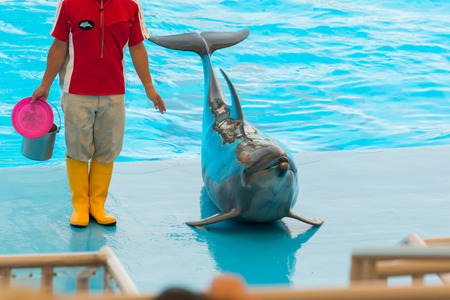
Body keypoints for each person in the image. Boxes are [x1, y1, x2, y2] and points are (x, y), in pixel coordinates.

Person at [30, 0, 166, 228]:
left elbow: (137, 47)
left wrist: (149, 87)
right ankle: (80, 206)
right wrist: (45, 85)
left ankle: (98, 205)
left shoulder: (130, 6)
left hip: (114, 92)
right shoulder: (69, 4)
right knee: (78, 148)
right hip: (76, 91)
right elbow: (59, 45)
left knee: (107, 149)